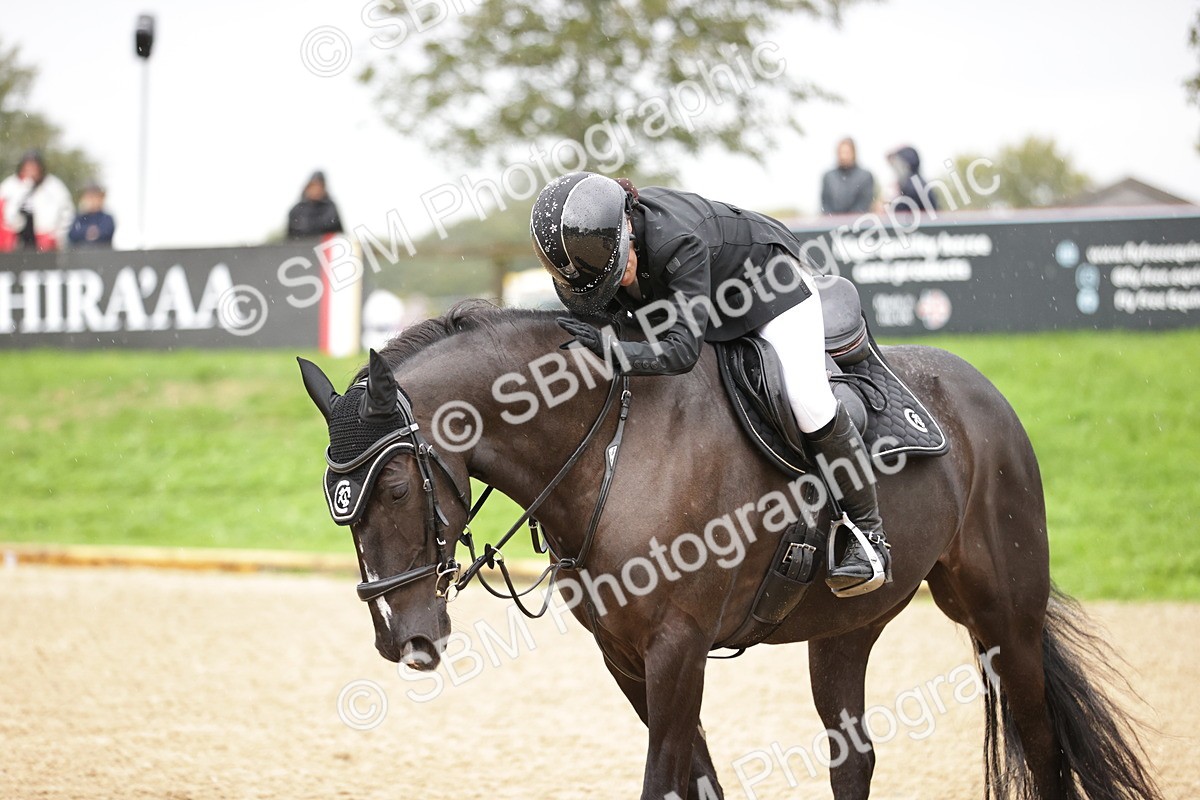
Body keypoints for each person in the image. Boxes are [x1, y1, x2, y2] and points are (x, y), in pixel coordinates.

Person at [530, 172, 891, 596]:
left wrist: (615, 353)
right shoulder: (607, 251)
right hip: (701, 296)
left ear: (628, 225)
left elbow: (682, 352)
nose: (619, 283)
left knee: (807, 399)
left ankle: (869, 537)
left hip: (767, 287)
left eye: (619, 270)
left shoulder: (676, 242)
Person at [0, 150, 74, 251]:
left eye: (34, 167)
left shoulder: (54, 186)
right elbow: (4, 214)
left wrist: (57, 236)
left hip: (45, 242)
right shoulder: (10, 186)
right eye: (28, 166)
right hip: (16, 241)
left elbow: (67, 214)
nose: (31, 170)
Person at [820, 137, 874, 215]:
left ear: (853, 153)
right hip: (832, 224)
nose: (843, 156)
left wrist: (848, 222)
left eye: (846, 153)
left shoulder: (865, 176)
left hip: (857, 224)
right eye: (841, 153)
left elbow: (863, 204)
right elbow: (825, 204)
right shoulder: (828, 177)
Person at [287, 170, 343, 239]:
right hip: (301, 247)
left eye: (319, 186)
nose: (316, 190)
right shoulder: (297, 210)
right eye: (313, 186)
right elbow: (292, 233)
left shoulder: (330, 208)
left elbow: (336, 230)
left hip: (324, 246)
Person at [887, 145, 938, 214]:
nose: (894, 170)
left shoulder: (913, 187)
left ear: (905, 165)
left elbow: (899, 215)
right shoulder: (917, 184)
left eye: (896, 165)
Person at [68, 183, 116, 248]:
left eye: (95, 197)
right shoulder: (80, 217)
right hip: (81, 254)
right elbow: (72, 234)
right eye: (89, 197)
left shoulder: (106, 218)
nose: (92, 201)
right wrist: (88, 231)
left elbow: (106, 232)